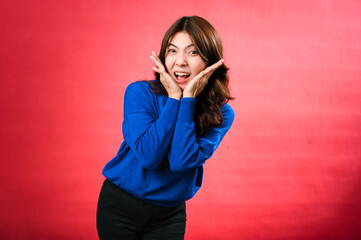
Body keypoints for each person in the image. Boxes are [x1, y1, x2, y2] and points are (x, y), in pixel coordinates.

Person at [96, 16, 235, 240]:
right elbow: (149, 157)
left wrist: (187, 99)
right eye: (173, 51)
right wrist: (173, 99)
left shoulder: (221, 114)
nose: (180, 62)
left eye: (193, 52)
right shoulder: (139, 93)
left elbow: (181, 163)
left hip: (168, 215)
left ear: (210, 61)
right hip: (119, 206)